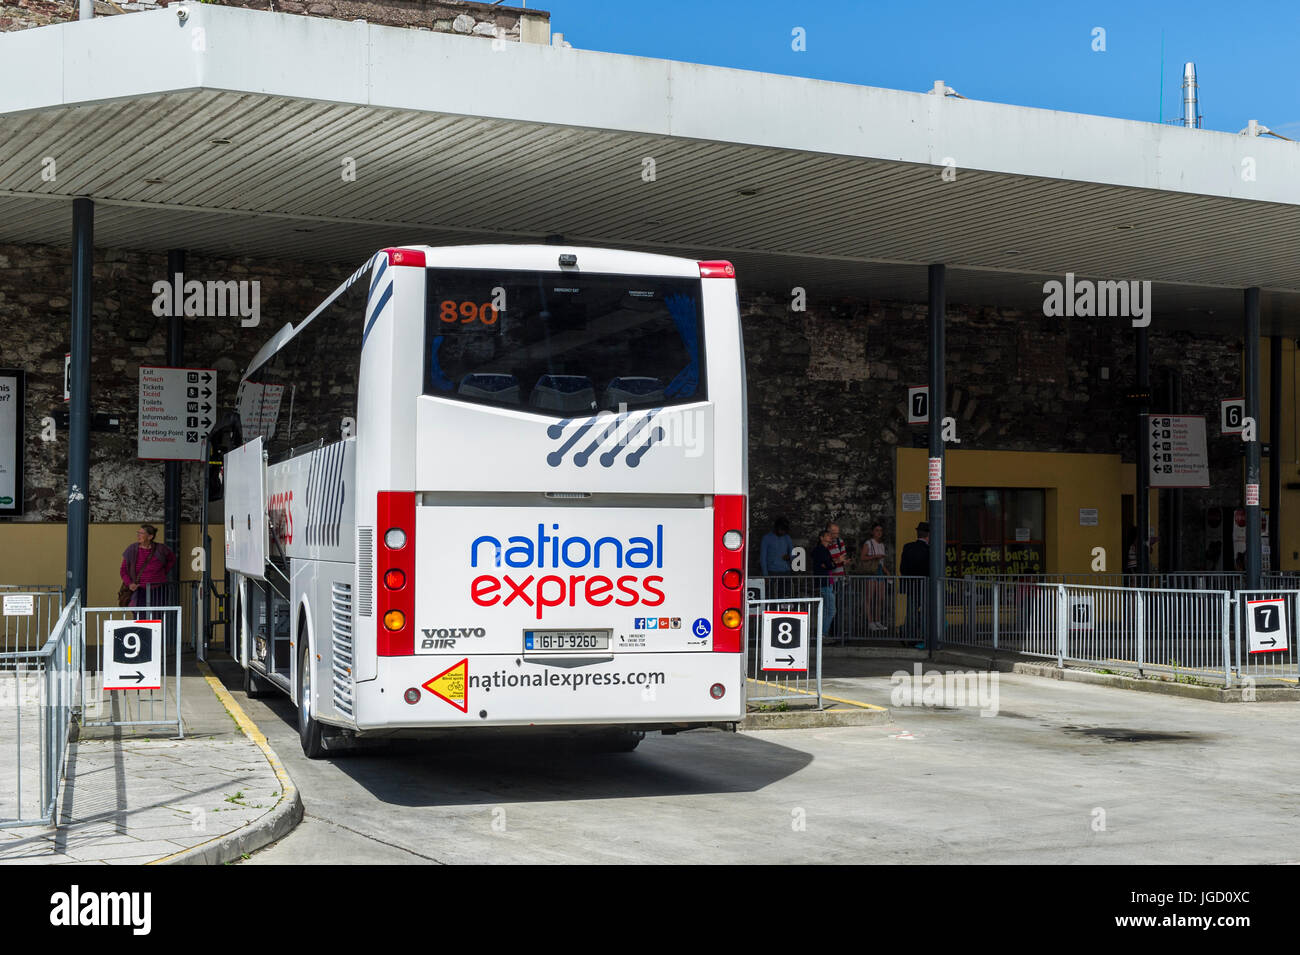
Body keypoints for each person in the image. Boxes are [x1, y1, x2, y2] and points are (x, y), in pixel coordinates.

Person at [120, 523, 177, 609]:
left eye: (142, 533)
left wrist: (162, 573)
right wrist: (130, 583)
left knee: (156, 616)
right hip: (139, 589)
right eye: (138, 533)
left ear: (150, 537)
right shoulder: (132, 549)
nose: (138, 535)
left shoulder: (161, 549)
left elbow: (172, 559)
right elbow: (123, 570)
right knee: (140, 616)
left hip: (158, 589)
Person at [899, 521, 931, 650]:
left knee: (911, 611)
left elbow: (902, 568)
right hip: (925, 585)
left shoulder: (908, 547)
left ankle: (909, 636)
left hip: (910, 585)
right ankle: (923, 636)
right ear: (928, 535)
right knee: (925, 612)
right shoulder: (929, 550)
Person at [859, 522, 890, 632]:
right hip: (872, 571)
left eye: (880, 531)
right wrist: (876, 556)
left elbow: (881, 563)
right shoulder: (868, 543)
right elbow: (862, 557)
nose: (879, 533)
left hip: (880, 571)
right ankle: (870, 621)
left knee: (880, 598)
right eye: (877, 530)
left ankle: (877, 620)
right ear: (872, 532)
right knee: (869, 597)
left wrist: (887, 573)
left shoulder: (881, 545)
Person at [760, 516, 795, 599]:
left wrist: (789, 557)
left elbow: (793, 553)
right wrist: (765, 575)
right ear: (776, 527)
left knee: (785, 597)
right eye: (781, 529)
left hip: (786, 572)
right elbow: (763, 558)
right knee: (772, 597)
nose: (783, 532)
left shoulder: (787, 538)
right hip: (772, 572)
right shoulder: (766, 538)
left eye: (785, 530)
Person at [811, 529, 836, 643]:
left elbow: (829, 565)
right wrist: (830, 564)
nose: (830, 537)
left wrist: (830, 564)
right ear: (821, 537)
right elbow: (827, 565)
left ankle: (822, 634)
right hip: (824, 583)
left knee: (827, 610)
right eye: (828, 535)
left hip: (828, 582)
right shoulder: (820, 550)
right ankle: (822, 634)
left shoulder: (825, 550)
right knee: (831, 610)